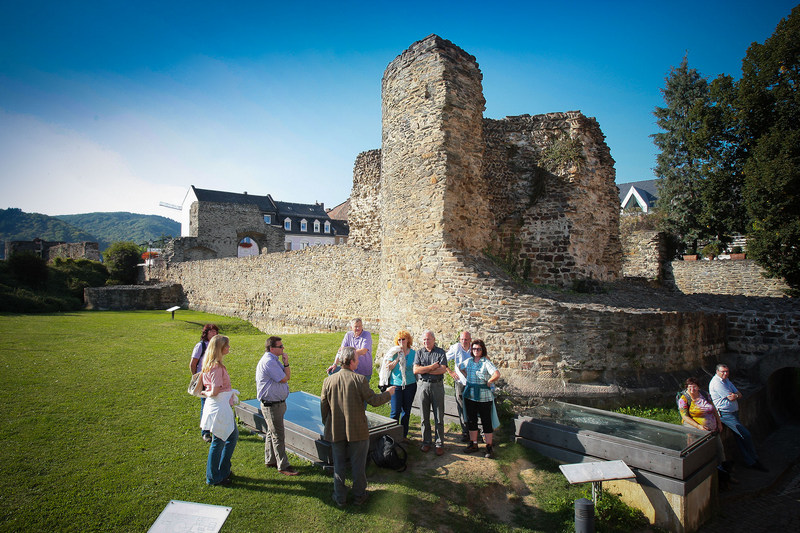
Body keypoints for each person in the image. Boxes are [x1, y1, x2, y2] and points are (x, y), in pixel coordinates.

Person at [320, 347, 395, 507]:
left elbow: (324, 405)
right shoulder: (360, 380)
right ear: (351, 362)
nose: (359, 361)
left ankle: (340, 497)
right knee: (358, 465)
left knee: (339, 465)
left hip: (336, 429)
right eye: (357, 359)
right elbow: (374, 401)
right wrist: (388, 393)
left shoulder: (328, 380)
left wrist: (327, 423)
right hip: (358, 430)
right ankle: (359, 496)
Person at [709, 363, 768, 472]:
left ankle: (750, 461)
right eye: (723, 372)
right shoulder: (717, 383)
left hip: (733, 413)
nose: (725, 374)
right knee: (745, 434)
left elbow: (738, 394)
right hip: (725, 414)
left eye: (727, 371)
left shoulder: (726, 380)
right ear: (717, 372)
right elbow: (732, 397)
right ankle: (754, 460)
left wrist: (735, 395)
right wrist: (735, 395)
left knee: (740, 437)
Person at [255, 336, 299, 476]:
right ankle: (283, 466)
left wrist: (285, 363)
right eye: (280, 346)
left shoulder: (274, 360)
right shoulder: (269, 362)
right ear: (272, 348)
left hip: (275, 404)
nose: (283, 348)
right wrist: (286, 364)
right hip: (272, 405)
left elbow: (286, 376)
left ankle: (270, 460)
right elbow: (285, 378)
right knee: (278, 435)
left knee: (271, 432)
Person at [199, 335, 238, 486]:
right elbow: (214, 391)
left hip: (221, 406)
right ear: (219, 349)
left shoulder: (213, 365)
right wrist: (206, 392)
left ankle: (223, 470)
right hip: (219, 407)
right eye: (226, 346)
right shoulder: (215, 367)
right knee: (219, 440)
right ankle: (214, 476)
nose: (229, 348)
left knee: (231, 437)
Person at [678, 377, 732, 480]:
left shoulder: (705, 395)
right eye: (689, 387)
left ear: (698, 387)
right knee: (701, 454)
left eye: (694, 387)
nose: (692, 389)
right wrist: (698, 426)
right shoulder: (684, 399)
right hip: (697, 433)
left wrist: (719, 423)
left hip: (713, 430)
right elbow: (685, 417)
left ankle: (725, 475)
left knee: (719, 451)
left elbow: (713, 409)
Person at [460, 339, 500, 458]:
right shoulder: (469, 361)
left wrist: (489, 381)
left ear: (483, 350)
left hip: (484, 397)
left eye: (478, 349)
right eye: (474, 349)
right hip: (470, 395)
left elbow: (496, 374)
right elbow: (460, 366)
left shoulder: (486, 362)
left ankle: (489, 446)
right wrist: (467, 376)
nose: (476, 351)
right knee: (471, 420)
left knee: (486, 421)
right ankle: (474, 444)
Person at [413, 330, 448, 456]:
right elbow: (415, 370)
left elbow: (442, 370)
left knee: (439, 416)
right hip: (423, 386)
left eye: (428, 339)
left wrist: (424, 370)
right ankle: (426, 442)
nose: (426, 341)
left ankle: (439, 444)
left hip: (437, 386)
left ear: (434, 339)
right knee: (424, 416)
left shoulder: (440, 352)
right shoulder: (419, 353)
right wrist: (432, 367)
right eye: (424, 339)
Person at [385, 330, 417, 441]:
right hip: (396, 385)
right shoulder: (394, 352)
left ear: (408, 340)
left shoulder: (413, 353)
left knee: (406, 412)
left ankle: (403, 436)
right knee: (395, 411)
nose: (401, 341)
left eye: (403, 339)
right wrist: (398, 358)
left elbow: (416, 367)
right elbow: (388, 367)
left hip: (410, 384)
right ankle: (391, 437)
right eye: (399, 340)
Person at [190, 324, 218, 442]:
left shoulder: (216, 345)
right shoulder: (201, 346)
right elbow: (193, 363)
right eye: (211, 332)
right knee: (205, 404)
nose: (214, 334)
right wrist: (196, 377)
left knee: (214, 403)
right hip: (204, 379)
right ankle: (205, 432)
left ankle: (214, 427)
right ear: (206, 333)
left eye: (215, 332)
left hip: (214, 378)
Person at [446, 331, 472, 443]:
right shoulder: (456, 348)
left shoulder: (475, 348)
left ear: (470, 340)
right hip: (460, 382)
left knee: (473, 407)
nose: (464, 341)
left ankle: (474, 431)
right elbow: (443, 359)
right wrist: (450, 372)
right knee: (461, 407)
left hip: (473, 383)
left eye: (466, 339)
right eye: (462, 339)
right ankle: (465, 432)